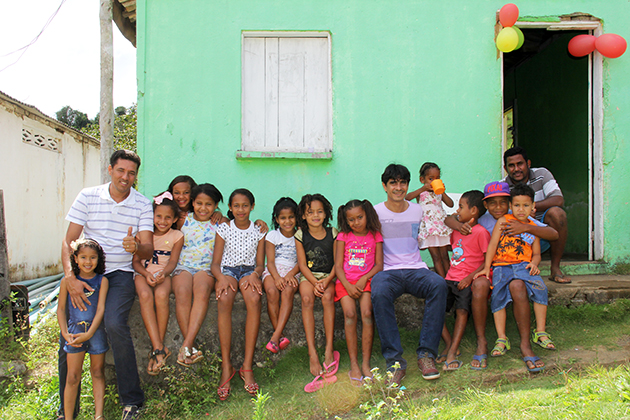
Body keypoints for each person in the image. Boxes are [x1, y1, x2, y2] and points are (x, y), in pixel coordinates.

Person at [60, 149, 153, 420]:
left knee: (113, 323)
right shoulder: (88, 196)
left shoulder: (142, 204)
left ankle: (132, 401)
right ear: (110, 170)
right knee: (71, 326)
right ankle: (66, 410)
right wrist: (71, 277)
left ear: (136, 176)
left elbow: (147, 249)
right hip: (85, 274)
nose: (126, 177)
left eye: (132, 173)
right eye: (121, 171)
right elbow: (69, 242)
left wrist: (136, 246)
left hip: (119, 274)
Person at [445, 181, 559, 359]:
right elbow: (450, 219)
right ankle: (490, 339)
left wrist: (526, 228)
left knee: (526, 287)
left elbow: (552, 235)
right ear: (484, 205)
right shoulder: (484, 219)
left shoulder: (523, 218)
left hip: (519, 267)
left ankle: (533, 337)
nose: (498, 207)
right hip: (494, 267)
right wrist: (459, 226)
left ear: (510, 204)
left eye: (503, 202)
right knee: (489, 289)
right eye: (492, 203)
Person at [371, 164, 447, 386]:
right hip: (388, 271)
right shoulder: (375, 212)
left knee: (439, 285)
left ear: (408, 185)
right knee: (379, 292)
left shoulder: (418, 210)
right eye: (393, 183)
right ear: (384, 186)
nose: (398, 187)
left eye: (403, 182)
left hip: (416, 269)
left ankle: (426, 355)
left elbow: (438, 226)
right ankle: (395, 362)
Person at [475, 184, 552, 372]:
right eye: (517, 205)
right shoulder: (503, 221)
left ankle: (540, 331)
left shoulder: (533, 227)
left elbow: (536, 253)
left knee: (540, 288)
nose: (521, 209)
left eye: (526, 206)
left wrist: (535, 263)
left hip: (523, 267)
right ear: (511, 205)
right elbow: (493, 245)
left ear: (533, 206)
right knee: (498, 297)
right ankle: (502, 337)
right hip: (501, 266)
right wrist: (487, 267)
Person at [212, 189, 266, 400]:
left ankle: (247, 366)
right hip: (228, 271)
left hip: (249, 271)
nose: (240, 210)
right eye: (236, 206)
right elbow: (215, 263)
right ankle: (227, 366)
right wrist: (221, 278)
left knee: (254, 297)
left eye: (245, 205)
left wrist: (255, 274)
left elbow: (260, 263)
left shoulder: (259, 230)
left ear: (252, 206)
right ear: (230, 208)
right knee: (224, 298)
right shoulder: (224, 229)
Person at [172, 183, 226, 367]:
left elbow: (241, 224)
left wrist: (260, 223)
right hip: (183, 266)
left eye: (209, 204)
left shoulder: (221, 222)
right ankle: (190, 346)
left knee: (202, 291)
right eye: (199, 203)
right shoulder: (182, 219)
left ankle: (186, 345)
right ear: (192, 203)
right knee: (182, 292)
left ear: (216, 205)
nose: (203, 208)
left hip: (206, 268)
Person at [132, 192, 184, 375]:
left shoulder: (177, 236)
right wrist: (146, 274)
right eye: (158, 216)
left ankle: (158, 347)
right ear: (151, 216)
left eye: (168, 217)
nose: (162, 221)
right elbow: (135, 262)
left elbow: (172, 262)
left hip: (163, 275)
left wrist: (163, 274)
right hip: (142, 274)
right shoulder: (142, 235)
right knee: (145, 296)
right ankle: (159, 347)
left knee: (162, 296)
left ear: (175, 219)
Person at [57, 239, 109, 420]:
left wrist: (90, 332)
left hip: (96, 332)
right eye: (84, 257)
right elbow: (61, 309)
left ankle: (99, 415)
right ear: (75, 259)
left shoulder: (102, 281)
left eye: (93, 257)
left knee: (97, 371)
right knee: (72, 376)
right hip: (73, 332)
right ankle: (68, 416)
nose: (88, 262)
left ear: (99, 259)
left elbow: (101, 309)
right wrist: (64, 332)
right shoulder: (67, 282)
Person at [502, 146, 570, 284]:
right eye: (511, 166)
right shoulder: (503, 186)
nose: (516, 169)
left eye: (520, 164)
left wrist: (532, 208)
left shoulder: (542, 174)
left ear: (528, 163)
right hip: (520, 238)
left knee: (557, 214)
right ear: (505, 168)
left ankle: (555, 268)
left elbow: (558, 200)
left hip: (543, 234)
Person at [439, 191, 490, 371]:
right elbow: (446, 220)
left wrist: (470, 278)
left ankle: (452, 351)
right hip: (450, 278)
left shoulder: (481, 232)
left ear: (474, 210)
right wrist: (455, 219)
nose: (457, 210)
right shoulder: (457, 229)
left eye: (461, 207)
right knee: (434, 307)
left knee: (462, 311)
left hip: (466, 281)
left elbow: (486, 260)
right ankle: (449, 343)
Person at [335, 199, 383, 386]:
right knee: (349, 314)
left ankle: (365, 363)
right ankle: (353, 363)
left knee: (366, 313)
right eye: (351, 219)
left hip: (367, 280)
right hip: (346, 282)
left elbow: (379, 264)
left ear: (367, 215)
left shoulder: (375, 235)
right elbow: (338, 266)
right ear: (346, 221)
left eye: (360, 217)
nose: (356, 222)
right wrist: (347, 284)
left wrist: (364, 278)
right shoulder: (343, 237)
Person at [295, 193, 339, 393]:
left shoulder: (333, 232)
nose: (315, 215)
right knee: (306, 298)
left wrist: (326, 281)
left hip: (329, 276)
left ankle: (329, 348)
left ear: (326, 213)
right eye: (310, 212)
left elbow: (338, 263)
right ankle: (312, 352)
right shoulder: (300, 235)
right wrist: (314, 282)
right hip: (309, 277)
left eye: (319, 211)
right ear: (303, 215)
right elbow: (302, 265)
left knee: (328, 297)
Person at [263, 197, 300, 354]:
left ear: (296, 217)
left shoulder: (300, 235)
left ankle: (275, 336)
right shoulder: (272, 236)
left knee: (287, 291)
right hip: (273, 271)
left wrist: (290, 274)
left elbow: (302, 262)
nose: (287, 221)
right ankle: (280, 336)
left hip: (293, 271)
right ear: (277, 219)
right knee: (271, 292)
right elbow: (270, 262)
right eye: (283, 218)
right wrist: (277, 278)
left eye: (291, 217)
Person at [405, 162, 454, 278]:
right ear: (422, 179)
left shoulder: (439, 194)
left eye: (437, 178)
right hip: (428, 228)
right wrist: (423, 188)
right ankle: (442, 280)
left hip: (441, 227)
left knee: (444, 255)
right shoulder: (421, 192)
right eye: (430, 178)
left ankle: (450, 279)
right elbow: (407, 198)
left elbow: (451, 204)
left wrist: (443, 192)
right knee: (436, 257)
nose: (434, 181)